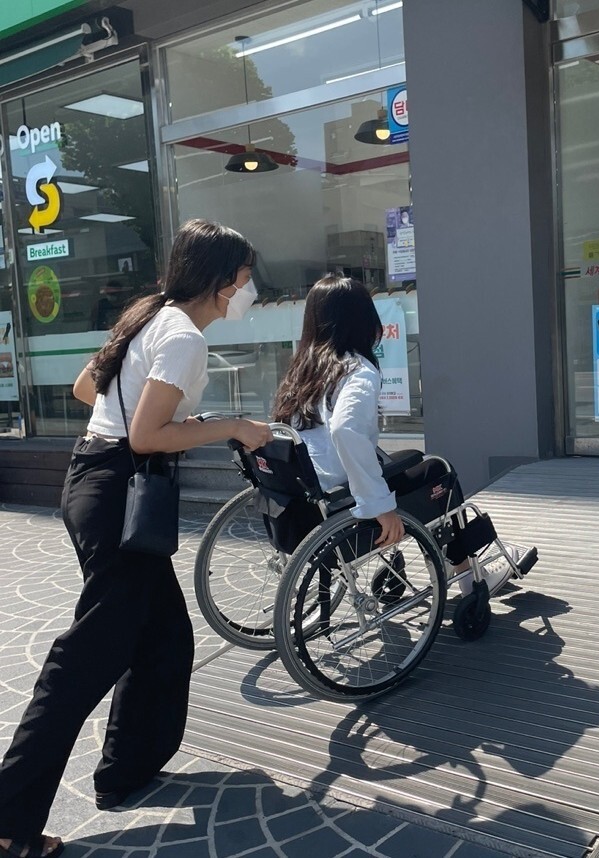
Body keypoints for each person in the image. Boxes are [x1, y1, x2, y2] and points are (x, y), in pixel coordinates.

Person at [0, 219, 273, 858]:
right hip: (119, 491)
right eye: (245, 277)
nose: (250, 289)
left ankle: (126, 771)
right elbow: (147, 436)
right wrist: (231, 425)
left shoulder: (149, 316)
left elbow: (84, 389)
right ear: (225, 280)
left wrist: (182, 417)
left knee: (165, 638)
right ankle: (9, 823)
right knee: (84, 660)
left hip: (92, 482)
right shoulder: (182, 337)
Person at [271, 275, 513, 590]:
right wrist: (380, 507)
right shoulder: (356, 371)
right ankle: (465, 572)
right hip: (342, 501)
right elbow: (346, 430)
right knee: (439, 471)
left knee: (409, 462)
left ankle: (438, 561)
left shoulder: (302, 370)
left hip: (308, 502)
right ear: (363, 321)